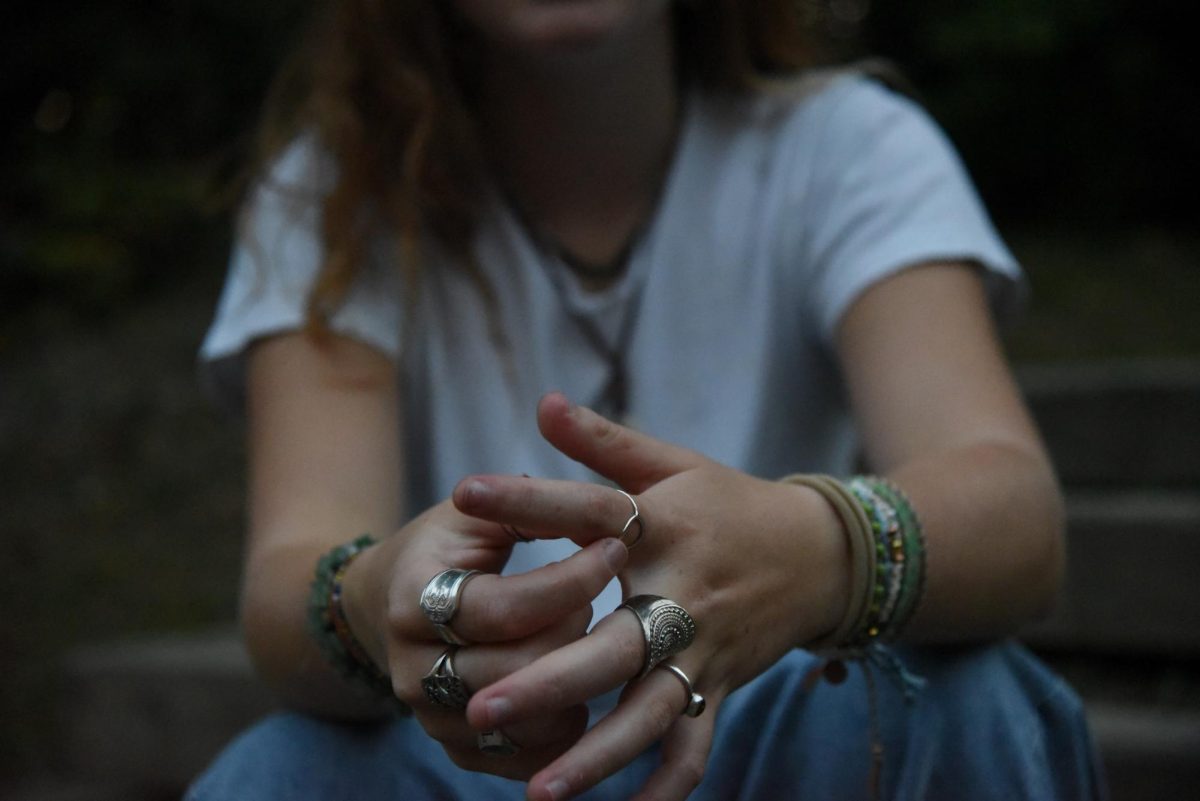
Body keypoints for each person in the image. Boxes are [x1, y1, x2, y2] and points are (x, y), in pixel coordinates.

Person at [188, 2, 1105, 800]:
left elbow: (1015, 512)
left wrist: (813, 548)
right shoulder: (337, 190)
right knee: (283, 773)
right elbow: (290, 570)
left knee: (969, 700)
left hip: (784, 726)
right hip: (477, 757)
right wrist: (378, 595)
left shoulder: (847, 148)